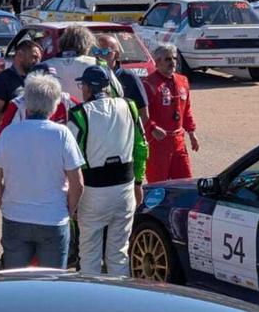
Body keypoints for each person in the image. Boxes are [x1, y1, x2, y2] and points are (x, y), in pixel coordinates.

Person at [0, 72, 85, 269]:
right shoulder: (62, 134)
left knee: (16, 285)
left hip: (15, 217)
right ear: (55, 103)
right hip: (53, 218)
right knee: (51, 288)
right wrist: (68, 210)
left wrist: (6, 205)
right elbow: (78, 183)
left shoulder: (8, 133)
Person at [68, 65, 147, 275]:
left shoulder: (79, 114)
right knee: (119, 253)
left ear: (86, 88)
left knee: (89, 255)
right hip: (125, 188)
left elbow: (70, 160)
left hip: (93, 191)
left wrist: (71, 198)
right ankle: (118, 302)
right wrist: (138, 181)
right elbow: (141, 147)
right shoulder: (129, 106)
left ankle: (91, 303)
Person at [142, 44, 199, 182]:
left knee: (186, 183)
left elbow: (186, 109)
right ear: (157, 62)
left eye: (174, 58)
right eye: (168, 59)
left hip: (178, 142)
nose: (172, 62)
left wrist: (191, 132)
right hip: (158, 144)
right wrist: (152, 128)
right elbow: (141, 113)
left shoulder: (183, 81)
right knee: (157, 186)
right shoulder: (148, 83)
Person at [43, 24, 122, 102]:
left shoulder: (44, 66)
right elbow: (118, 93)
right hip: (88, 113)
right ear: (87, 46)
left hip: (56, 113)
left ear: (61, 44)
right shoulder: (98, 64)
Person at [0, 40, 42, 135]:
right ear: (20, 54)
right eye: (34, 57)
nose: (37, 62)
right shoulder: (1, 81)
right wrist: (20, 113)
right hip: (11, 141)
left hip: (34, 140)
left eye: (39, 59)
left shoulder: (36, 81)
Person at [0, 64, 78, 130]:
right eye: (42, 85)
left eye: (52, 83)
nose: (48, 89)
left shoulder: (67, 101)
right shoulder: (18, 105)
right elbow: (2, 139)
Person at [93, 34, 149, 124]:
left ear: (117, 55)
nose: (99, 55)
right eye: (95, 51)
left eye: (104, 51)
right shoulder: (91, 76)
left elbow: (144, 114)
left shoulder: (129, 77)